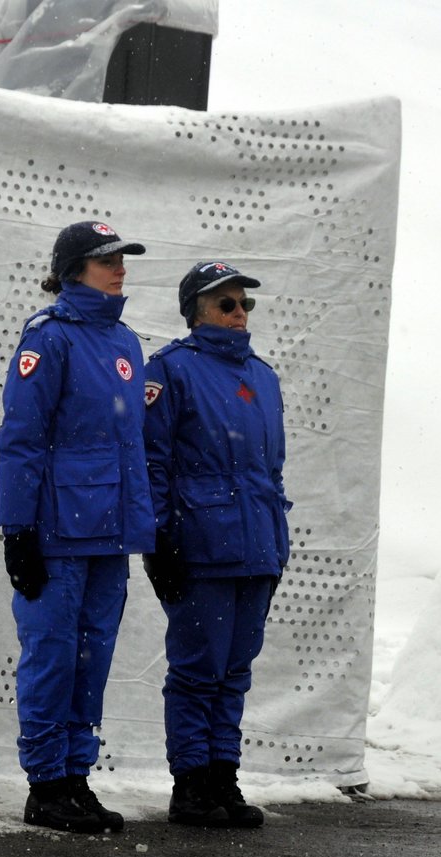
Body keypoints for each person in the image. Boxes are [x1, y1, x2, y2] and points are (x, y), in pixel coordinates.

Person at [0, 220, 155, 833]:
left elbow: (130, 446)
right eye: (105, 259)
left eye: (122, 258)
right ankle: (45, 785)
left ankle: (76, 778)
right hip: (58, 529)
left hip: (109, 533)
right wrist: (18, 528)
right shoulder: (49, 338)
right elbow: (21, 439)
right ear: (72, 270)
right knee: (53, 654)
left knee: (94, 657)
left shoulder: (125, 343)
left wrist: (143, 525)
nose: (119, 268)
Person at [142, 261, 290, 828]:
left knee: (235, 669)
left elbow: (269, 473)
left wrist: (276, 546)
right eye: (226, 304)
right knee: (198, 669)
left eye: (245, 304)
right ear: (196, 309)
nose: (239, 313)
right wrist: (160, 540)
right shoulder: (171, 372)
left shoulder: (264, 376)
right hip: (199, 543)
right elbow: (152, 461)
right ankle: (191, 783)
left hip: (257, 545)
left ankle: (223, 776)